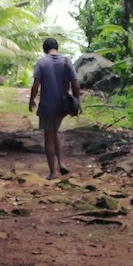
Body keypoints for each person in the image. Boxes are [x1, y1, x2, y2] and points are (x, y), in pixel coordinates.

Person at [28, 37, 80, 179]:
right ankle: (61, 163)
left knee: (48, 136)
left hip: (47, 106)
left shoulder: (41, 62)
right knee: (55, 133)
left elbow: (36, 85)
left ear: (44, 49)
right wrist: (77, 101)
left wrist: (31, 100)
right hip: (62, 106)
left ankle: (52, 172)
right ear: (57, 47)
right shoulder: (66, 61)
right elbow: (75, 84)